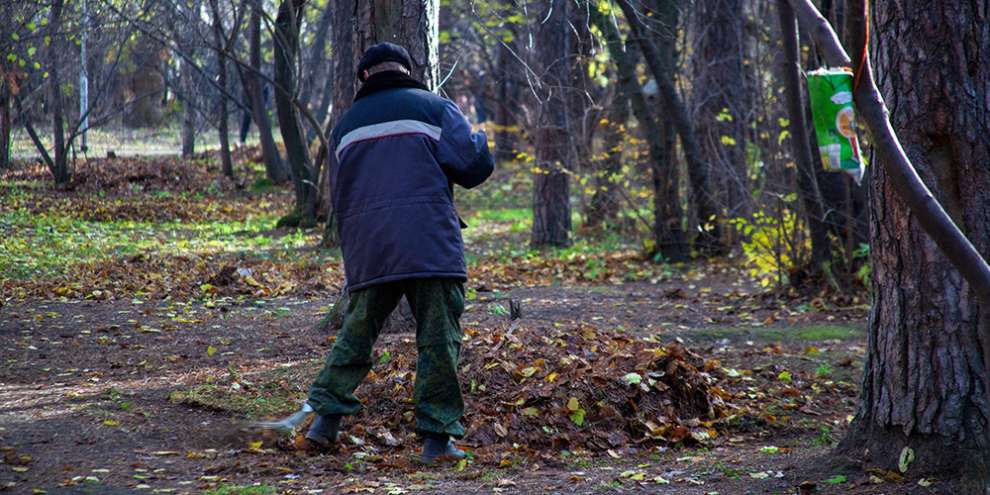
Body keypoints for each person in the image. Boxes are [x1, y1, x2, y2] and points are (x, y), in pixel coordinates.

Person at [259, 42, 494, 465]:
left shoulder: (346, 124)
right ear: (406, 69)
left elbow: (341, 194)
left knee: (356, 334)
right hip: (429, 244)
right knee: (438, 340)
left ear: (364, 76)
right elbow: (473, 169)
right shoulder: (435, 108)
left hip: (371, 246)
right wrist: (480, 140)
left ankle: (323, 424)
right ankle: (436, 442)